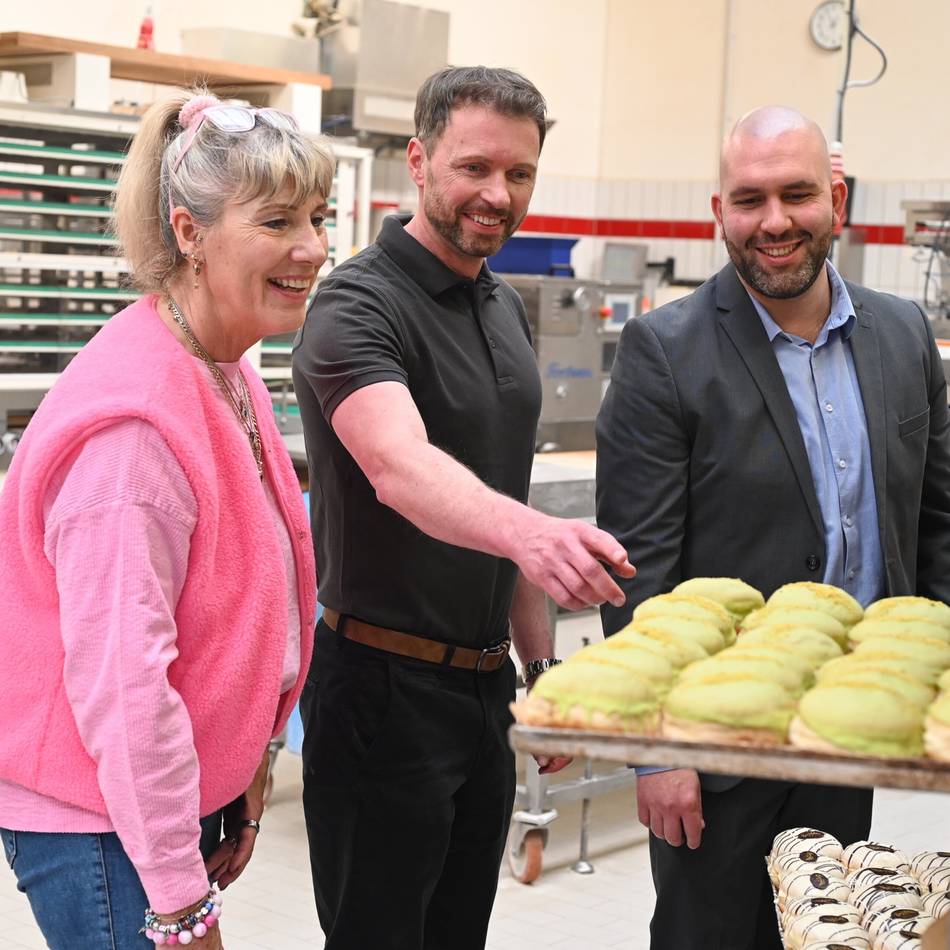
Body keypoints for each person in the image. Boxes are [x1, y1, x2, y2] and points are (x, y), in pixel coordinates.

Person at [292, 65, 635, 950]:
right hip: (379, 691)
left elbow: (501, 500)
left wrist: (542, 672)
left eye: (519, 174)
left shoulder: (503, 308)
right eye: (475, 168)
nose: (498, 194)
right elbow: (401, 468)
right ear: (418, 158)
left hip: (481, 693)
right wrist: (536, 535)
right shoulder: (355, 304)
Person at [596, 105, 950, 950]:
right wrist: (658, 751)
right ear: (719, 212)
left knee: (829, 934)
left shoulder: (903, 336)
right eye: (749, 200)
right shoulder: (664, 351)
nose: (775, 222)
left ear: (837, 199)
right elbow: (637, 567)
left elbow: (937, 525)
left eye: (797, 195)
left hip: (845, 732)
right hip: (716, 744)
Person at [0, 90, 333, 948]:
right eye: (277, 222)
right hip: (100, 819)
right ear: (189, 232)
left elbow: (248, 603)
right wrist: (182, 908)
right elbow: (125, 691)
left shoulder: (226, 367)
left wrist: (249, 765)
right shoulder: (134, 436)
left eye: (318, 217)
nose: (312, 248)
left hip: (163, 800)